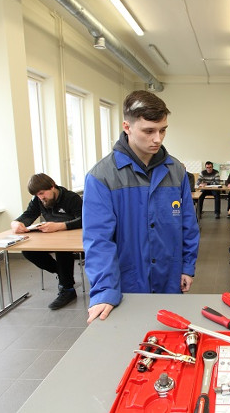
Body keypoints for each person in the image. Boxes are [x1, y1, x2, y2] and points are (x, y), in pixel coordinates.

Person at [83, 90, 200, 323]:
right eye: (149, 131)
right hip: (126, 284)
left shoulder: (176, 171)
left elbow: (188, 224)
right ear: (127, 127)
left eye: (163, 130)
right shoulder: (102, 177)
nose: (158, 138)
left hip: (170, 279)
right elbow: (98, 241)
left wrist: (187, 266)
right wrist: (105, 291)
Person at [11, 173, 83, 309]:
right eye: (37, 195)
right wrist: (16, 223)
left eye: (42, 193)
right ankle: (62, 274)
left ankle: (67, 289)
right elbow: (28, 215)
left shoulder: (71, 198)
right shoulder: (38, 200)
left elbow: (84, 219)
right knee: (28, 251)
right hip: (51, 237)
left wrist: (60, 226)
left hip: (72, 238)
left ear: (52, 186)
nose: (41, 197)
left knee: (62, 250)